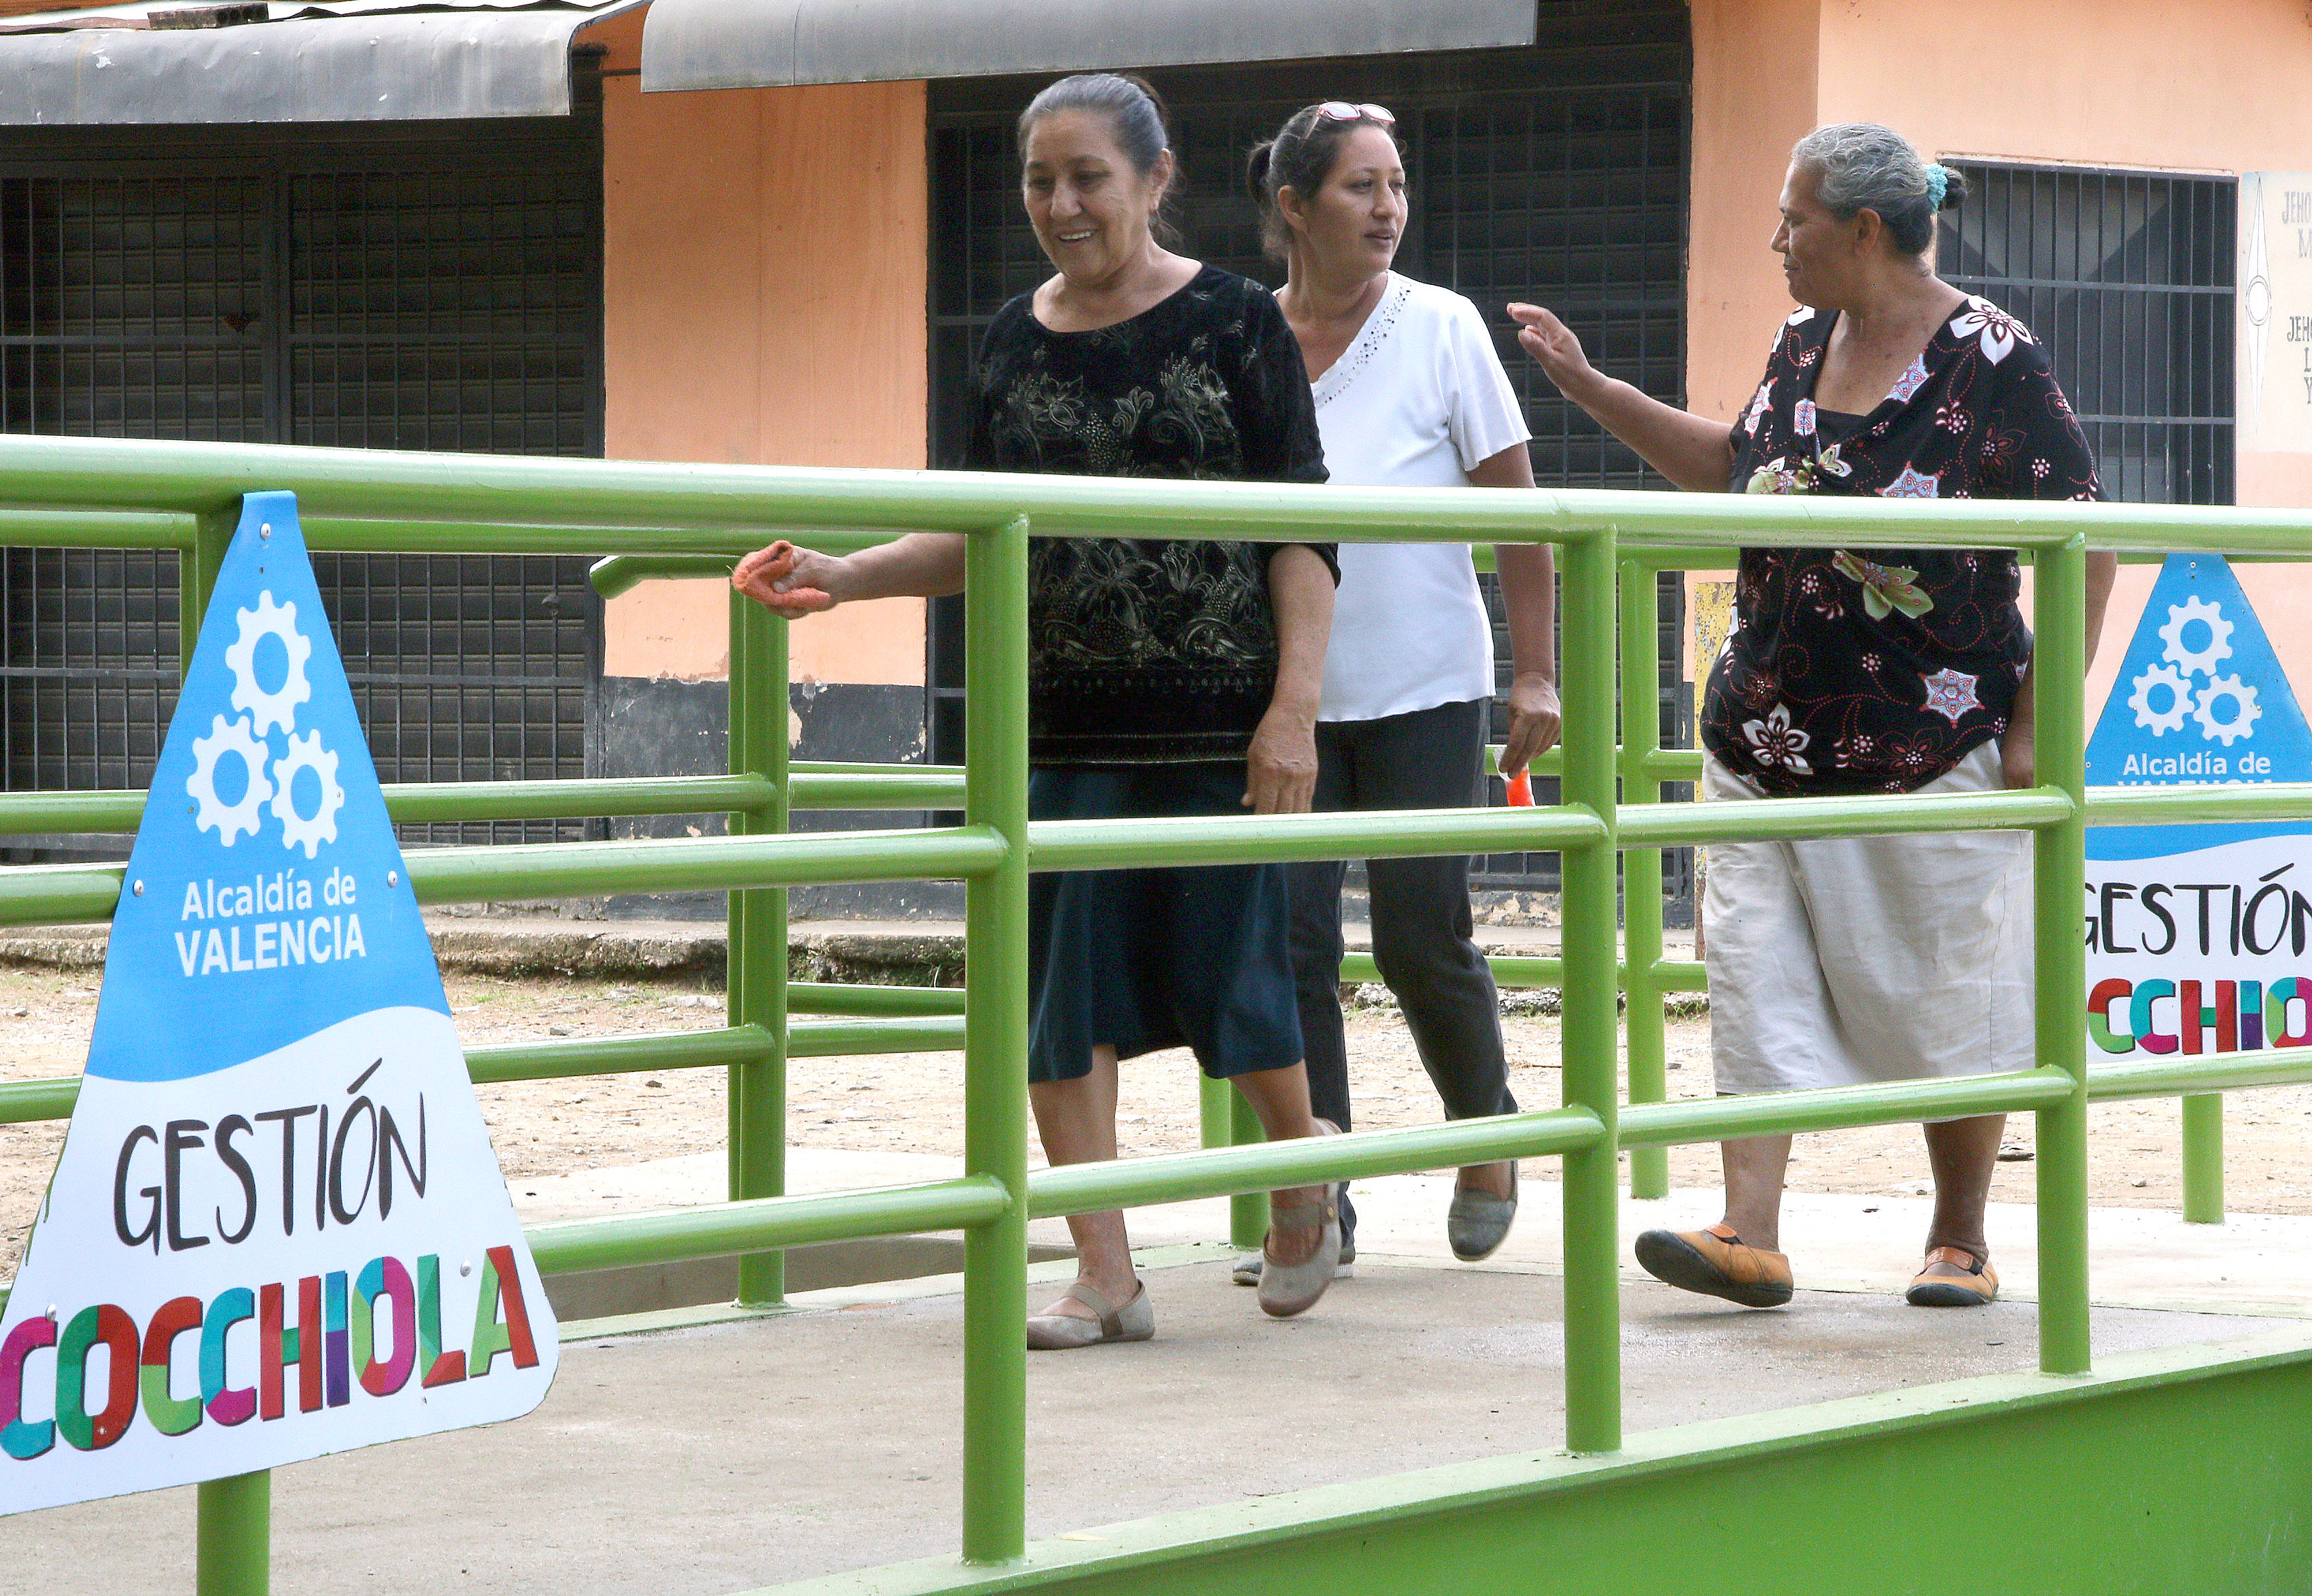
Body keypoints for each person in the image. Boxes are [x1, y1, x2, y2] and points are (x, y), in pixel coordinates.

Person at [732, 72, 1345, 1347]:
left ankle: (1301, 1177)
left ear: (1155, 179)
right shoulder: (1011, 337)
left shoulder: (1237, 323)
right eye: (1039, 180)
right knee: (1052, 1005)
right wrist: (845, 578)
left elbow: (1302, 531)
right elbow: (978, 534)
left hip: (1212, 729)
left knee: (1239, 988)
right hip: (1055, 727)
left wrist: (1294, 709)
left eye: (1089, 179)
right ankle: (1103, 1269)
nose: (1062, 205)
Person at [1510, 122, 2115, 1310]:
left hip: (1924, 742)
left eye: (1794, 219)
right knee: (1754, 973)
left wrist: (2046, 725)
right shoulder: (1799, 341)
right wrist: (1593, 390)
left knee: (1944, 987)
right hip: (1760, 731)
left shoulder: (1992, 358)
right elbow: (1738, 467)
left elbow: (2082, 540)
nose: (1778, 239)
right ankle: (1750, 1230)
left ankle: (1959, 1238)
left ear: (1865, 230)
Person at [1230, 100, 1561, 1286]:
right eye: (1361, 188)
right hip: (1291, 698)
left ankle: (1487, 1135)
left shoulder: (1441, 327)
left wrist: (1535, 667)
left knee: (1425, 932)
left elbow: (1517, 507)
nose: (1387, 211)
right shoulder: (1245, 335)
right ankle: (1320, 1206)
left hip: (1424, 684)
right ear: (1294, 208)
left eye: (1397, 186)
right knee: (1294, 942)